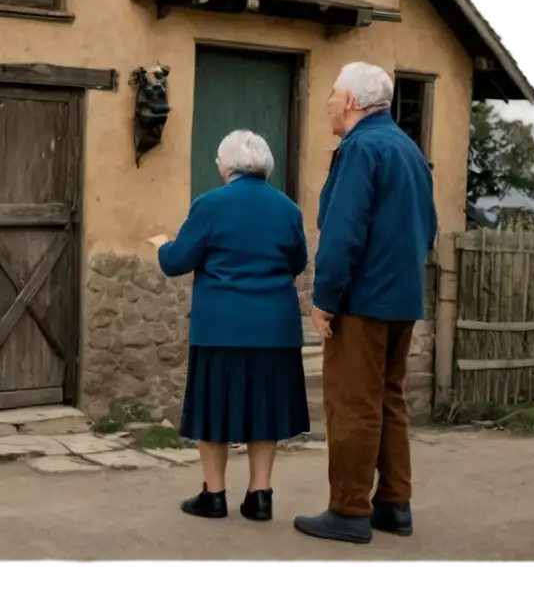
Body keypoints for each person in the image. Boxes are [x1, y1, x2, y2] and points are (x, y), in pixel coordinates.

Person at [293, 62, 438, 545]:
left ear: (352, 101)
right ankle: (395, 503)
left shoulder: (359, 149)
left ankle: (349, 509)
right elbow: (430, 227)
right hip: (403, 299)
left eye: (333, 94)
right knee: (388, 399)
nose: (329, 102)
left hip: (362, 300)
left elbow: (342, 233)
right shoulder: (409, 150)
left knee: (352, 402)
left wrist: (325, 299)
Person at [157, 129, 310, 522]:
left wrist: (161, 245)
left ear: (227, 166)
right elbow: (297, 263)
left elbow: (178, 261)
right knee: (265, 410)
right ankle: (260, 496)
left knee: (214, 409)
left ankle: (214, 494)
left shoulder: (209, 205)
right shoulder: (288, 209)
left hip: (220, 327)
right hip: (275, 328)